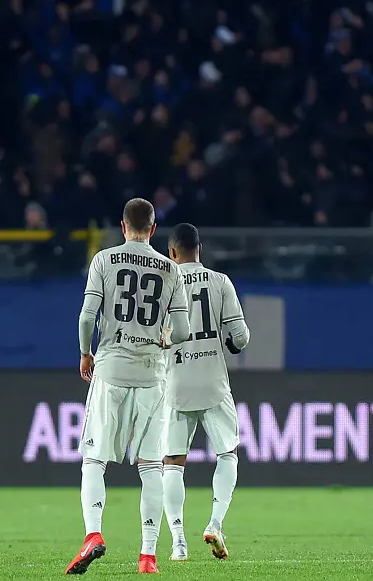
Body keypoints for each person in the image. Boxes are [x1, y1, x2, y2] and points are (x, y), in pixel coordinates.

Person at [66, 198, 191, 575]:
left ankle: (93, 535)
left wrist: (86, 354)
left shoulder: (104, 260)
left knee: (93, 461)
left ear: (123, 227)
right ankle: (148, 556)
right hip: (153, 375)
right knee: (151, 466)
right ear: (153, 229)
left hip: (112, 369)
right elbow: (183, 331)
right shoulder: (171, 270)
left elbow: (88, 315)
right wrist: (164, 340)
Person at [160, 223, 250, 561]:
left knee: (172, 463)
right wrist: (231, 343)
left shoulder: (163, 284)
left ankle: (178, 543)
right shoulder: (220, 281)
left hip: (176, 382)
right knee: (227, 453)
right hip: (213, 381)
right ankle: (215, 522)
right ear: (200, 249)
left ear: (172, 252)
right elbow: (240, 337)